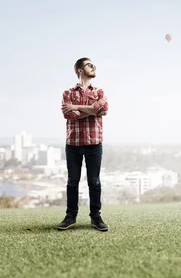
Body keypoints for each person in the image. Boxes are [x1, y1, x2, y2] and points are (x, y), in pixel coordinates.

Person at [57, 57, 109, 231]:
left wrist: (77, 107)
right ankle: (70, 216)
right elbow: (69, 114)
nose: (93, 66)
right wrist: (93, 110)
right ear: (80, 70)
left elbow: (102, 109)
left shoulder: (100, 91)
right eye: (89, 65)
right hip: (73, 143)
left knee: (94, 182)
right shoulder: (68, 93)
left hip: (94, 143)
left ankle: (96, 217)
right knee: (73, 182)